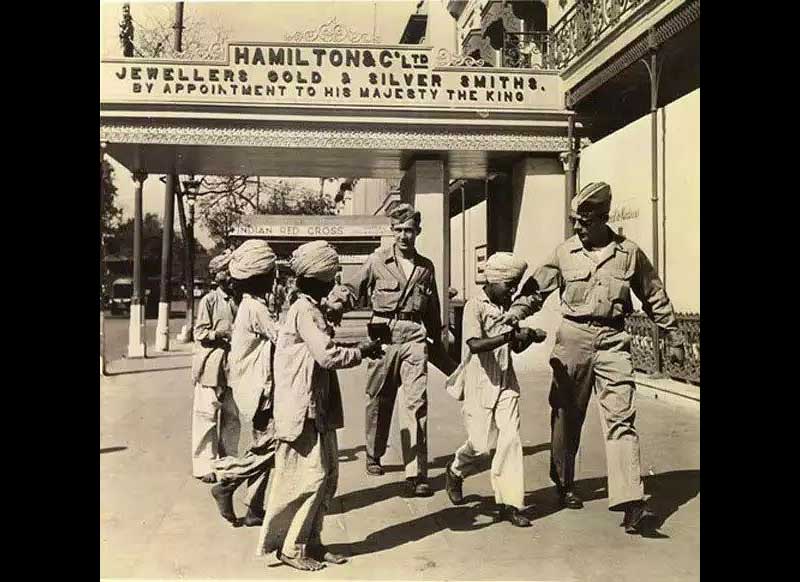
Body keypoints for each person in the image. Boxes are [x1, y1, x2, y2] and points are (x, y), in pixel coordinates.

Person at [502, 182, 686, 535]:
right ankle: (564, 481)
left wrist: (673, 334)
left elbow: (653, 294)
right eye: (574, 220)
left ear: (603, 218)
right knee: (566, 414)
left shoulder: (629, 254)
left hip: (613, 340)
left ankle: (631, 502)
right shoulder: (564, 252)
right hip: (573, 337)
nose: (578, 227)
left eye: (584, 222)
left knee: (621, 418)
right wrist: (515, 313)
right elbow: (535, 291)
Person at [256, 241, 382, 571]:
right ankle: (292, 547)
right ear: (314, 280)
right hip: (301, 408)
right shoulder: (304, 311)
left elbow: (323, 347)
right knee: (309, 479)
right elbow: (327, 355)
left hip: (317, 406)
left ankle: (312, 541)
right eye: (329, 279)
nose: (333, 285)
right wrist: (362, 351)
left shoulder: (310, 308)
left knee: (328, 477)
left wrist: (357, 346)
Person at [337, 202, 451, 496]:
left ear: (418, 231)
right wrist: (336, 303)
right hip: (383, 335)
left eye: (409, 230)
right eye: (398, 230)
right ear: (391, 231)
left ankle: (416, 472)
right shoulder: (377, 260)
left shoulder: (426, 267)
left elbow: (433, 308)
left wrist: (439, 340)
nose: (403, 236)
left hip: (414, 336)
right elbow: (353, 289)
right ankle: (374, 453)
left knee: (416, 403)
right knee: (379, 398)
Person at [443, 252, 547, 527]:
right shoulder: (474, 306)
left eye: (516, 286)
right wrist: (509, 335)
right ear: (493, 280)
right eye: (509, 285)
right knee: (481, 447)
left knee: (510, 438)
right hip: (479, 381)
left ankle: (510, 503)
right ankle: (455, 470)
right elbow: (474, 344)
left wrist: (528, 337)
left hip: (506, 381)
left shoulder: (506, 308)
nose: (513, 291)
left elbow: (514, 347)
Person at [209, 239, 280, 527]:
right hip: (262, 389)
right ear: (262, 277)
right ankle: (229, 482)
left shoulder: (250, 305)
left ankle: (254, 509)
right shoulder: (255, 308)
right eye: (272, 273)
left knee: (264, 444)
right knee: (272, 447)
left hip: (254, 387)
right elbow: (282, 337)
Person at [191, 250, 240, 483]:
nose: (230, 279)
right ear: (218, 276)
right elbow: (200, 332)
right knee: (206, 414)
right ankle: (204, 465)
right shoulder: (209, 300)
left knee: (232, 415)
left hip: (234, 365)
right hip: (211, 364)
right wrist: (220, 333)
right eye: (226, 274)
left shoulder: (240, 300)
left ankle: (228, 461)